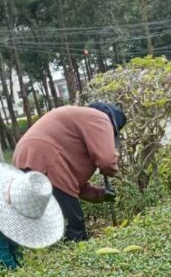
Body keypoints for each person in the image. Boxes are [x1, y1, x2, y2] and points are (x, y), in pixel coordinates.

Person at [13, 101, 126, 242]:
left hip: (24, 160)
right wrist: (112, 169)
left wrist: (100, 194)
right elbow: (107, 161)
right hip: (45, 161)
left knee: (48, 228)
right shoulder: (101, 118)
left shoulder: (76, 127)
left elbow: (72, 186)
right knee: (74, 228)